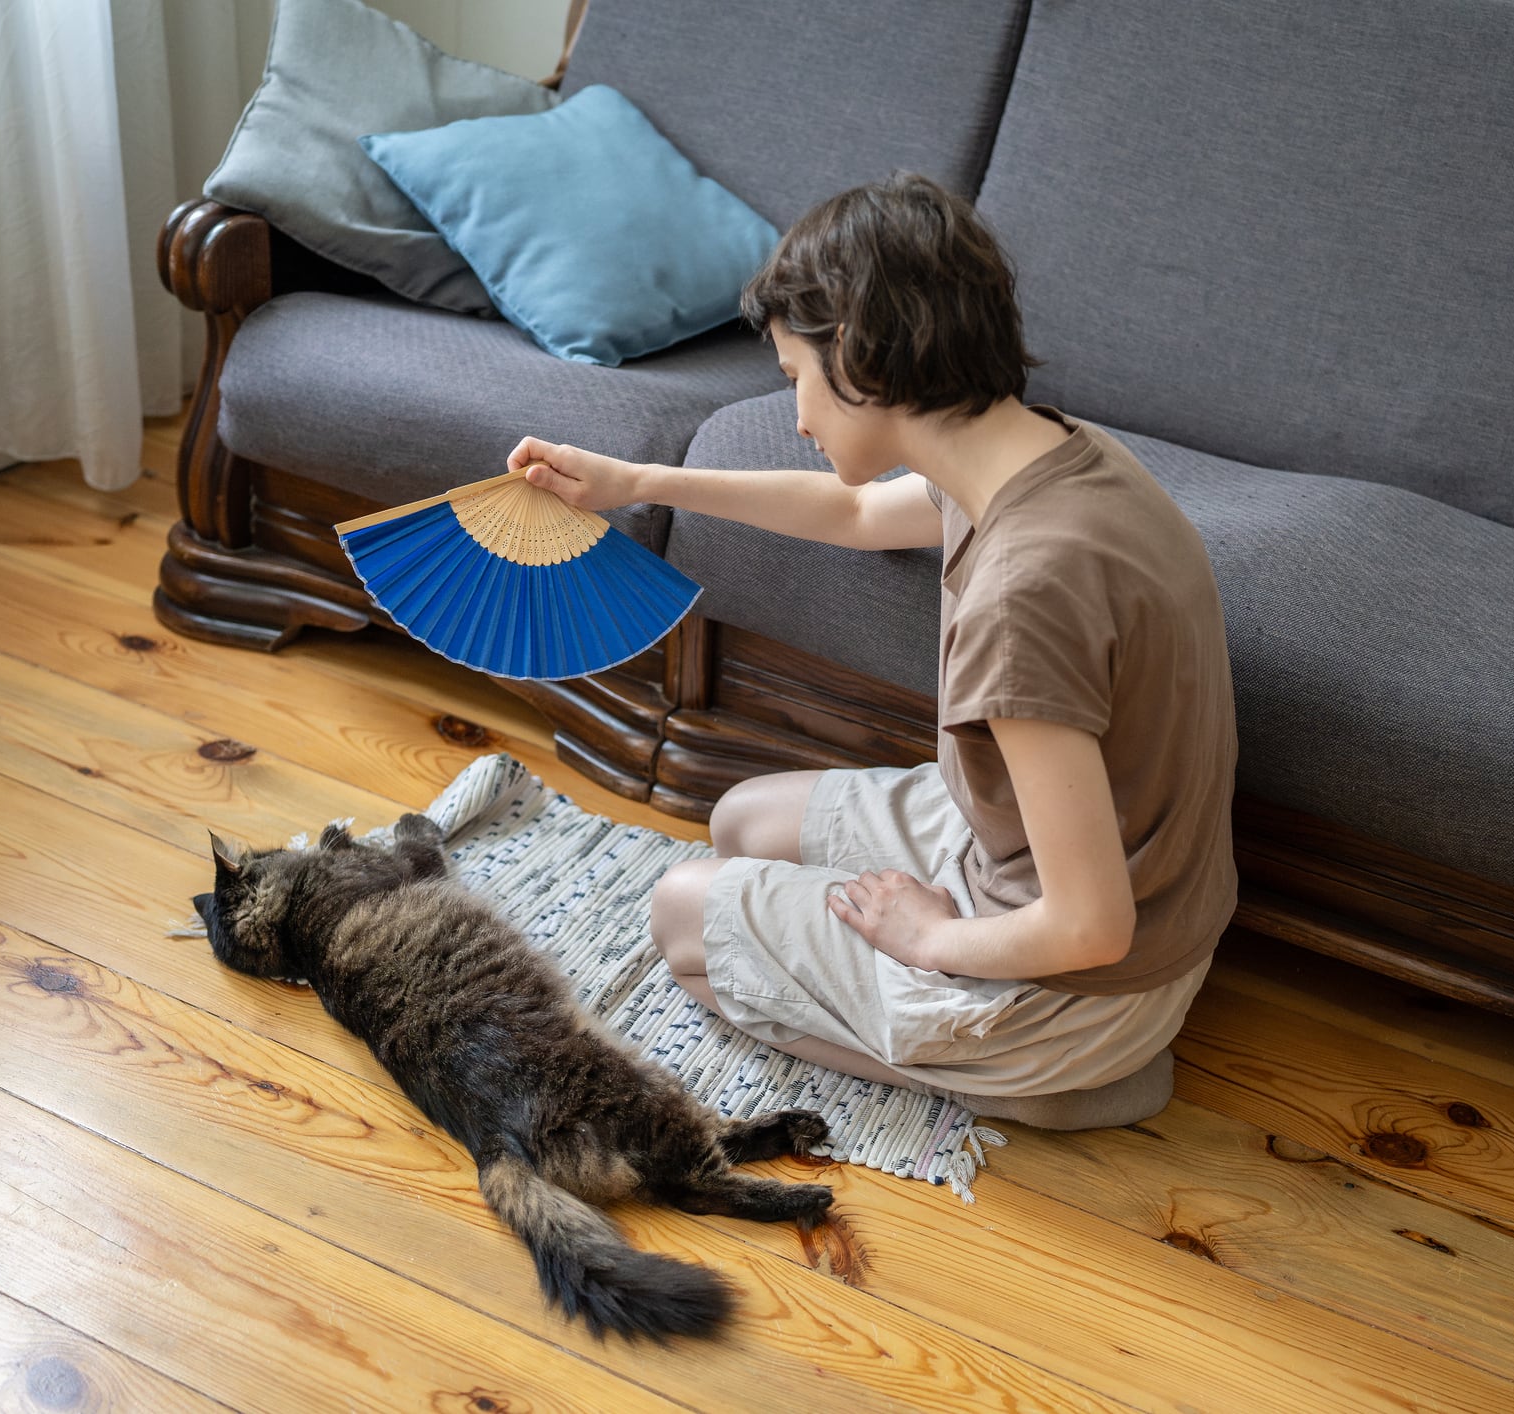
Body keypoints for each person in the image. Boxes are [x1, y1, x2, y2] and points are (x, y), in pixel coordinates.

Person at [507, 172, 1238, 1128]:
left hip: (1083, 987)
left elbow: (1090, 926)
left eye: (795, 379)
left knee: (683, 919)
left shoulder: (1023, 595)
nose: (798, 417)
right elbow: (853, 513)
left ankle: (1042, 1084)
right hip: (1058, 872)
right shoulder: (1049, 453)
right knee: (740, 820)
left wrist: (926, 938)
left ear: (855, 353)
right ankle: (995, 1031)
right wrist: (636, 481)